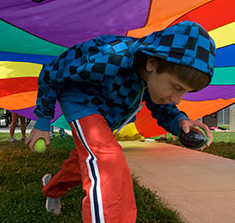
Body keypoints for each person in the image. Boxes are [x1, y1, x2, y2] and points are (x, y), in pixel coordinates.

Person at [26, 21, 215, 222]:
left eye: (185, 92)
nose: (178, 99)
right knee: (107, 159)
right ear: (152, 63)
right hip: (81, 101)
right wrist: (43, 121)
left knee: (81, 165)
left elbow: (159, 104)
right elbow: (51, 72)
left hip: (106, 118)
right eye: (176, 87)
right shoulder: (109, 56)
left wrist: (179, 121)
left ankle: (51, 187)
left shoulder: (150, 74)